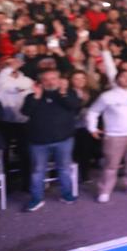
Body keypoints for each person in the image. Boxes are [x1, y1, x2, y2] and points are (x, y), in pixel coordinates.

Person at [85, 68, 127, 203]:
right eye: (123, 76)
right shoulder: (107, 96)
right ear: (117, 80)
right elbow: (93, 112)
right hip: (114, 136)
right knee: (111, 165)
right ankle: (105, 190)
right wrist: (92, 128)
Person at [20, 66, 81, 210]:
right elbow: (25, 112)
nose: (50, 82)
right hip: (38, 142)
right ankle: (37, 198)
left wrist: (63, 93)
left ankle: (66, 194)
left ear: (59, 80)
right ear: (40, 82)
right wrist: (36, 97)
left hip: (64, 140)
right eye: (46, 80)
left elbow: (74, 106)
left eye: (53, 78)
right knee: (38, 171)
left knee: (64, 168)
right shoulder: (32, 96)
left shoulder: (68, 93)